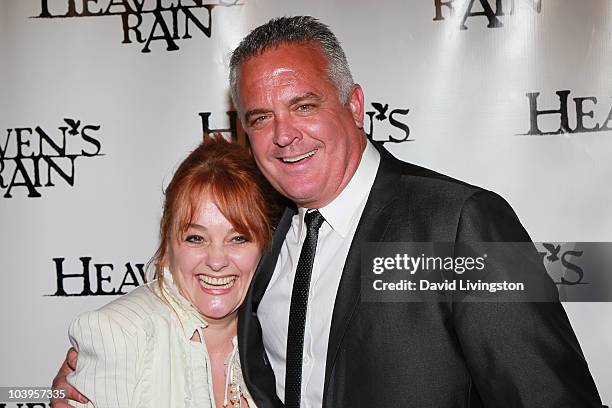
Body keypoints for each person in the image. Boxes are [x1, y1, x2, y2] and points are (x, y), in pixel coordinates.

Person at [55, 16, 604, 408]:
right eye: (261, 117)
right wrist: (71, 387)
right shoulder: (263, 235)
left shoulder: (457, 224)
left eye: (304, 106)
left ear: (355, 104)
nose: (284, 135)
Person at [52, 136, 278, 408]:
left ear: (267, 243)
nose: (216, 261)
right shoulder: (120, 333)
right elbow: (13, 394)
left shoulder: (281, 333)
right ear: (168, 243)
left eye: (238, 238)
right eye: (196, 238)